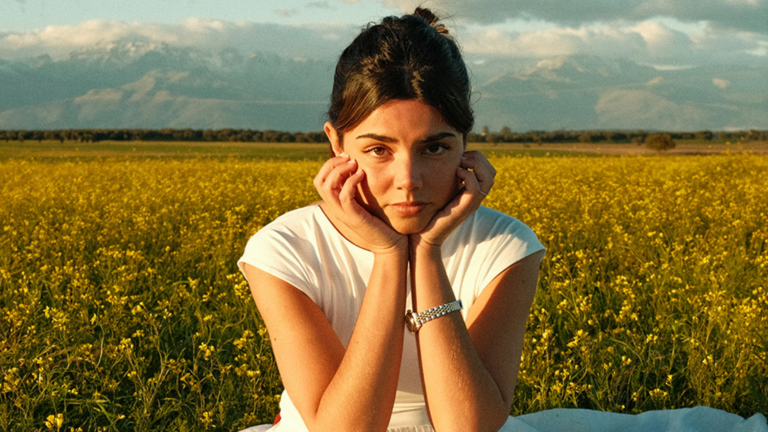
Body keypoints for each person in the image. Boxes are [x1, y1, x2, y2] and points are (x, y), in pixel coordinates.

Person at [238, 8, 545, 432]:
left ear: (465, 147)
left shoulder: (506, 246)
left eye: (434, 148)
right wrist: (388, 255)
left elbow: (470, 427)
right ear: (336, 144)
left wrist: (429, 253)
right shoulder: (284, 250)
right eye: (379, 150)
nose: (409, 181)